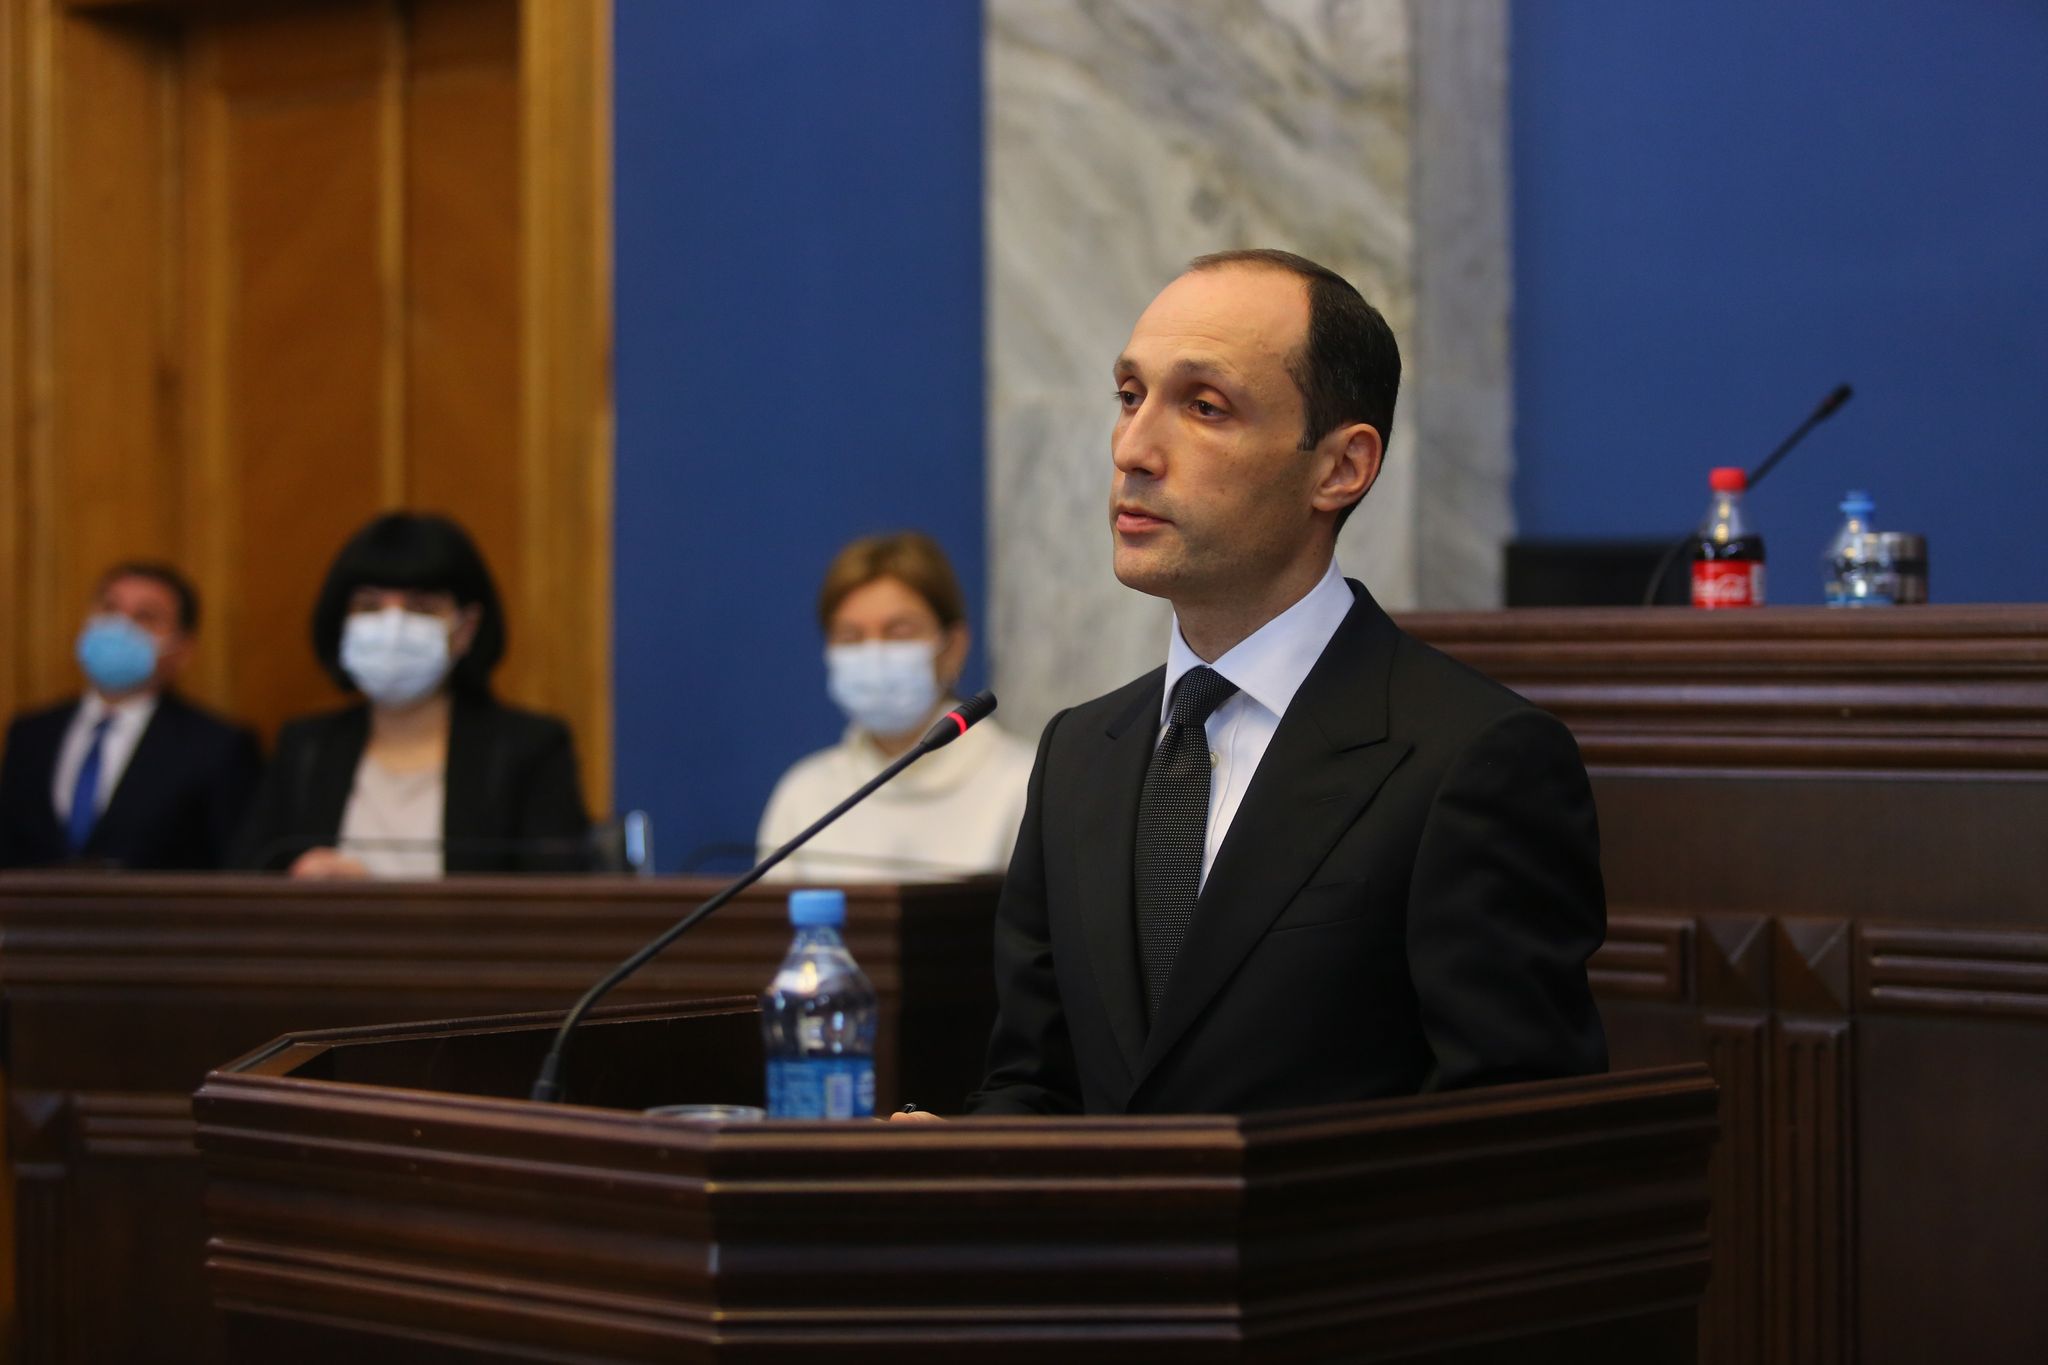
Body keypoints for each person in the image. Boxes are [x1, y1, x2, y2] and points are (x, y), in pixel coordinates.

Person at [901, 249, 1606, 1120]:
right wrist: (956, 1157)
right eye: (1130, 395)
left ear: (1340, 467)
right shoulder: (1080, 752)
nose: (1132, 449)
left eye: (1204, 406)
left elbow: (1515, 1137)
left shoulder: (1474, 759)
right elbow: (1037, 1085)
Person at [232, 512, 589, 877]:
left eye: (421, 608)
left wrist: (374, 896)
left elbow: (553, 896)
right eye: (369, 607)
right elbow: (245, 881)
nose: (392, 628)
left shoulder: (528, 751)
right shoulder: (306, 749)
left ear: (465, 629)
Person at [757, 531, 1034, 882]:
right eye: (851, 636)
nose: (874, 654)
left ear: (953, 647)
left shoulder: (1022, 784)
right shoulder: (803, 796)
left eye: (899, 632)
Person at [0, 562, 262, 870]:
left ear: (182, 650)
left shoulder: (218, 746)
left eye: (145, 617)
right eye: (109, 609)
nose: (119, 627)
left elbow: (235, 864)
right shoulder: (31, 734)